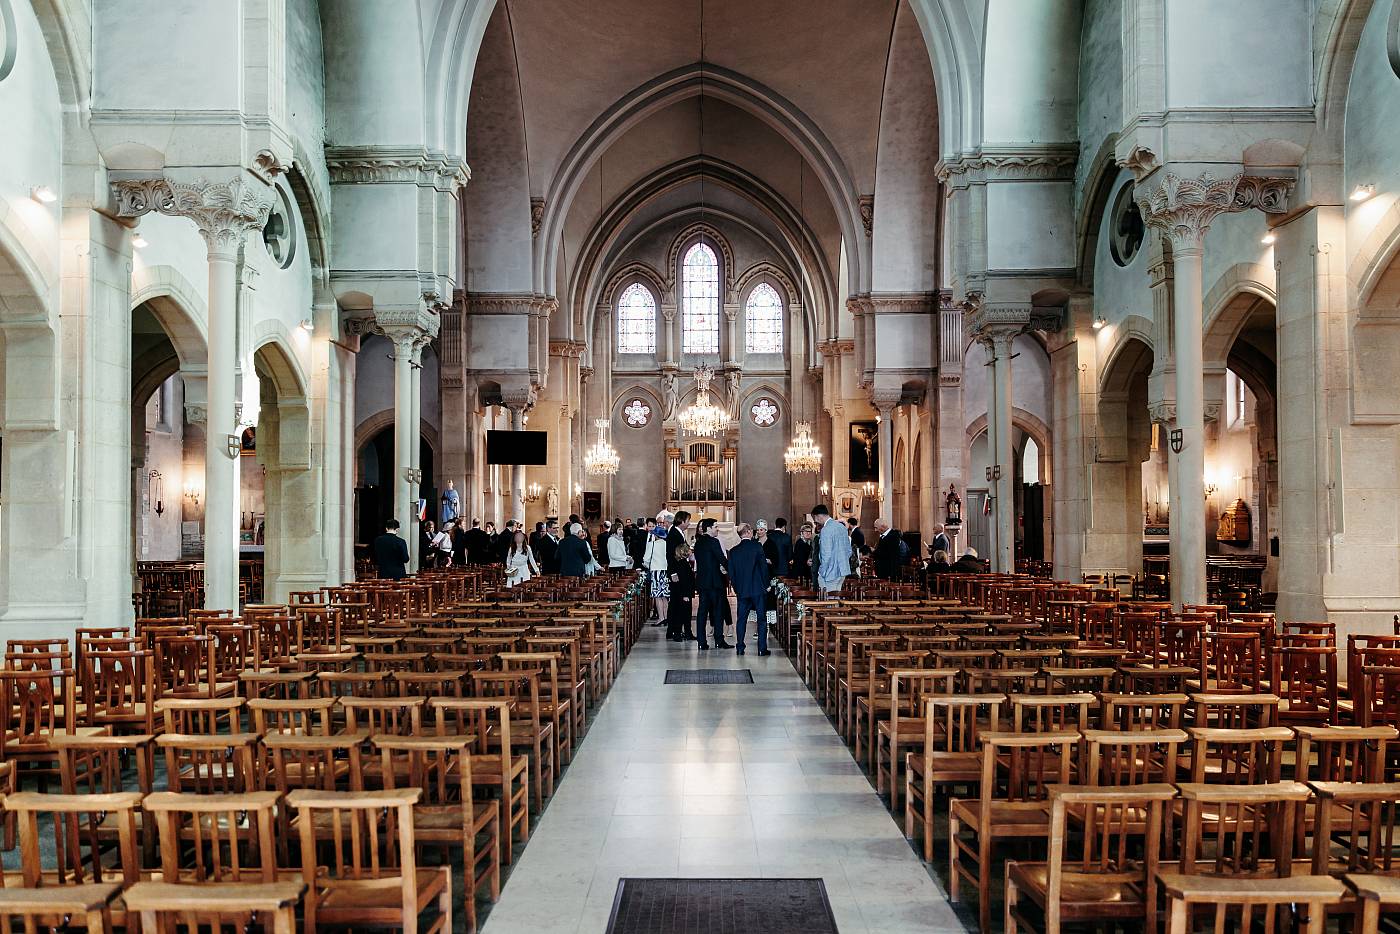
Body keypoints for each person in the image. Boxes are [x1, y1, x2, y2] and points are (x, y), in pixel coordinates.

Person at [727, 523, 771, 656]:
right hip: (758, 589)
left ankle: (740, 646)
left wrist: (736, 588)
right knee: (761, 619)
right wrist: (766, 584)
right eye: (751, 530)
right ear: (747, 532)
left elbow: (732, 574)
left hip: (743, 591)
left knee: (741, 619)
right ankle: (762, 649)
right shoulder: (756, 546)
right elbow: (763, 567)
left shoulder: (734, 551)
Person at [693, 518, 731, 650]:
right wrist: (731, 569)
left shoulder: (698, 543)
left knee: (702, 612)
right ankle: (719, 640)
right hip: (715, 582)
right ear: (708, 529)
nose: (717, 529)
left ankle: (701, 642)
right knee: (718, 612)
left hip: (703, 582)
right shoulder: (713, 542)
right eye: (715, 526)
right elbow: (722, 559)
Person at [663, 511, 692, 640]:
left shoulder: (678, 532)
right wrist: (673, 573)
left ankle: (676, 630)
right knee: (678, 602)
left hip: (682, 570)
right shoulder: (674, 534)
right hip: (678, 572)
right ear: (682, 521)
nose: (689, 523)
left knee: (678, 602)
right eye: (688, 520)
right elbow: (670, 555)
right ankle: (676, 631)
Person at [813, 504, 851, 597]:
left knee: (827, 601)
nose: (815, 521)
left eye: (815, 518)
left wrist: (822, 571)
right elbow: (849, 550)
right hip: (843, 570)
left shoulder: (826, 530)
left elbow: (826, 554)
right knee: (836, 598)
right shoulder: (842, 527)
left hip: (830, 571)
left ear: (819, 516)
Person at [644, 513, 672, 624]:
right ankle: (667, 617)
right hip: (665, 570)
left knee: (657, 595)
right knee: (665, 596)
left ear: (656, 535)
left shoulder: (652, 544)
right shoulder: (667, 544)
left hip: (656, 570)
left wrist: (646, 565)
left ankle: (661, 618)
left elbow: (646, 559)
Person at [667, 542, 697, 642]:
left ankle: (687, 632)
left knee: (685, 614)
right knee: (682, 614)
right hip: (683, 593)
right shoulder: (682, 564)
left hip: (683, 593)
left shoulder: (682, 562)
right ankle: (678, 633)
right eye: (688, 549)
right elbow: (684, 580)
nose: (690, 551)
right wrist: (685, 594)